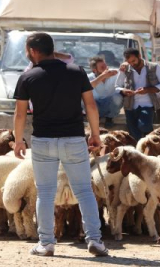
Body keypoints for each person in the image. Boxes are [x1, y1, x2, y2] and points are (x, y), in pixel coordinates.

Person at [13, 33, 108, 257]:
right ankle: (94, 240)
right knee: (84, 191)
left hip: (43, 140)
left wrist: (18, 140)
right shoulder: (77, 72)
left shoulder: (28, 77)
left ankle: (46, 244)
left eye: (27, 50)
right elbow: (91, 106)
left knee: (45, 193)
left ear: (33, 51)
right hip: (74, 139)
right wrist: (95, 135)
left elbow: (19, 114)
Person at [115, 48, 160, 140]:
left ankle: (151, 140)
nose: (132, 64)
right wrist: (124, 91)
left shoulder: (154, 67)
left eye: (134, 61)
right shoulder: (125, 69)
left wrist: (147, 90)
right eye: (129, 62)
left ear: (139, 56)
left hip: (148, 104)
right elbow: (117, 86)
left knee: (144, 126)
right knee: (134, 134)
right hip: (130, 105)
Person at [88, 56, 123, 128]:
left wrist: (125, 65)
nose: (106, 69)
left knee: (118, 97)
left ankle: (110, 118)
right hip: (96, 106)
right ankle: (96, 118)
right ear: (95, 70)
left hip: (110, 106)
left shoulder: (114, 73)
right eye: (102, 67)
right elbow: (87, 87)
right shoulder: (89, 77)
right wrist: (103, 76)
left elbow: (123, 71)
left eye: (105, 66)